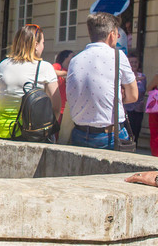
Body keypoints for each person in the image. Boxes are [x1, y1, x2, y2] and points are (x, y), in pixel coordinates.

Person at [65, 12, 137, 150]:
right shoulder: (117, 55)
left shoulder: (75, 60)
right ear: (111, 35)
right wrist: (117, 95)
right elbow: (133, 95)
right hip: (108, 135)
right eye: (117, 33)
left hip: (78, 133)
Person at [0, 24, 60, 139]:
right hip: (32, 133)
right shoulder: (44, 68)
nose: (43, 46)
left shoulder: (3, 65)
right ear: (36, 45)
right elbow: (56, 107)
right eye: (43, 43)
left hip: (2, 131)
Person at [125, 53, 147, 142]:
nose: (134, 64)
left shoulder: (143, 76)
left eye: (135, 62)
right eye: (131, 62)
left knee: (136, 130)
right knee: (128, 131)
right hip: (127, 108)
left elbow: (144, 90)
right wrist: (134, 80)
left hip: (138, 108)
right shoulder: (125, 76)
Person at [52, 49, 74, 117]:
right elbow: (52, 72)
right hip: (56, 106)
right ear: (65, 57)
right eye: (72, 56)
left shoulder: (71, 70)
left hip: (66, 107)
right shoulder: (57, 66)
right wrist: (66, 73)